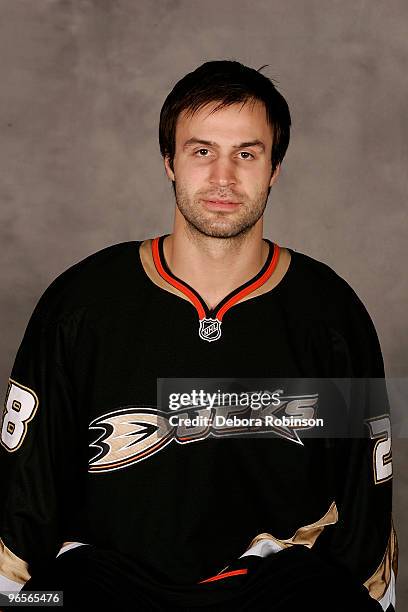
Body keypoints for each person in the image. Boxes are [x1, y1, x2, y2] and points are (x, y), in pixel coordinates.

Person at [0, 60, 397, 611]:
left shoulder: (326, 314)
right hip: (106, 581)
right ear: (170, 161)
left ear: (275, 167)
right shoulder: (83, 304)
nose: (223, 179)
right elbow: (27, 488)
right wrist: (20, 598)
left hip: (275, 584)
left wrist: (361, 596)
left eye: (247, 154)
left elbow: (363, 498)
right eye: (202, 151)